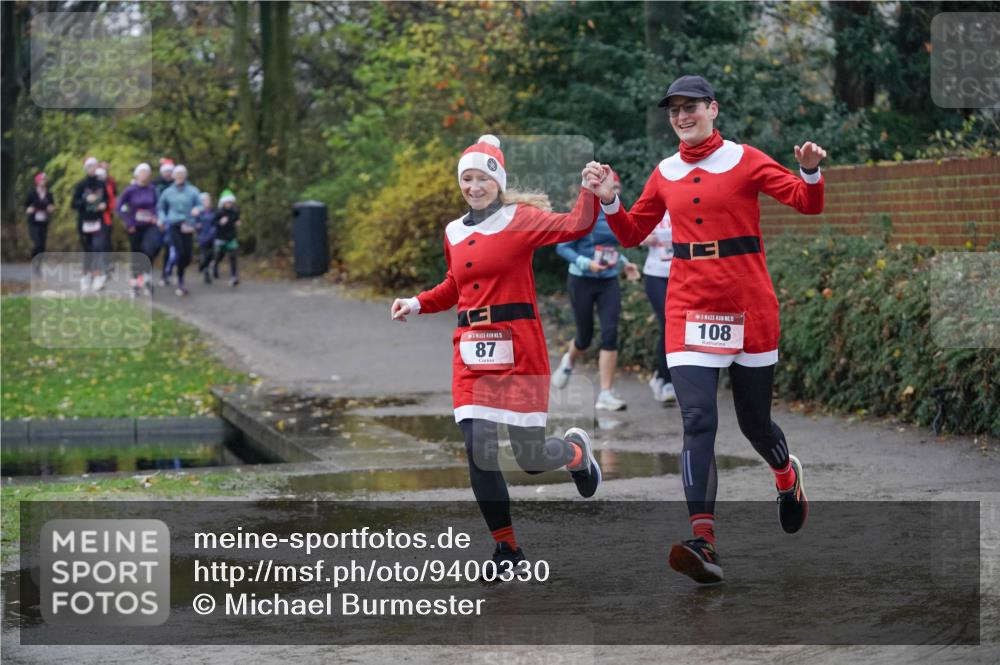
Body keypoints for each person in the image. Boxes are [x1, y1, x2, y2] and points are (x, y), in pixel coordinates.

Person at [584, 75, 826, 584]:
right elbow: (632, 233)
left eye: (690, 106)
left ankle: (786, 477)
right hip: (689, 308)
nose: (681, 115)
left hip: (749, 306)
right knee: (697, 422)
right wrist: (609, 199)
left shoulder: (745, 159)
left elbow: (808, 203)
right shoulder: (665, 171)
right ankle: (704, 540)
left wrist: (808, 171)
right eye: (674, 109)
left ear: (713, 109)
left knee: (754, 424)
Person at [390, 135, 604, 570]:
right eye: (466, 179)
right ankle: (507, 548)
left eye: (482, 178)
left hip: (519, 347)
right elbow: (455, 285)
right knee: (479, 449)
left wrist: (588, 190)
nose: (473, 186)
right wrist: (417, 302)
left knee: (529, 459)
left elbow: (575, 226)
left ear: (498, 181)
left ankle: (576, 454)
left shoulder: (519, 218)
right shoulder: (453, 231)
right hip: (470, 352)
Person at [551, 170, 640, 411]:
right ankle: (569, 361)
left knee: (610, 333)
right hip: (581, 280)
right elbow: (562, 248)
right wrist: (585, 263)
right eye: (611, 187)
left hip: (608, 280)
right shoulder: (582, 214)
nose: (615, 192)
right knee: (585, 337)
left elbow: (610, 248)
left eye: (617, 189)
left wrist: (624, 264)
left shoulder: (618, 215)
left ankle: (606, 393)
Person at [640, 210, 677, 403]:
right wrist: (645, 238)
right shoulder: (653, 208)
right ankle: (666, 379)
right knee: (667, 322)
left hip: (679, 274)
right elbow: (635, 233)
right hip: (655, 274)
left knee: (676, 325)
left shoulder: (682, 206)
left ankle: (661, 376)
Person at [156, 164, 201, 296]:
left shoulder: (193, 190)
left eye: (182, 174)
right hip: (174, 224)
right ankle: (180, 281)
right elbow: (160, 207)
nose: (180, 176)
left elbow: (200, 204)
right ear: (174, 176)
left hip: (188, 224)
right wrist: (163, 219)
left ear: (185, 176)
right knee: (179, 251)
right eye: (178, 174)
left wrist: (197, 209)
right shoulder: (168, 192)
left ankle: (179, 271)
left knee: (187, 255)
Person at [117, 163, 160, 296]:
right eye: (142, 172)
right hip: (134, 227)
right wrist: (129, 222)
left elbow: (158, 205)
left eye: (147, 172)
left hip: (149, 225)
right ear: (137, 175)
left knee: (150, 249)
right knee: (137, 254)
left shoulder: (152, 189)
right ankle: (135, 282)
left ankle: (146, 277)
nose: (145, 175)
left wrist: (156, 217)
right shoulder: (130, 190)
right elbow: (119, 207)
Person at [71, 157, 110, 292]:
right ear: (86, 169)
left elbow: (107, 199)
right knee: (88, 250)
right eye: (90, 166)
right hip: (84, 222)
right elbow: (73, 204)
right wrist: (85, 200)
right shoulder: (81, 185)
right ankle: (85, 277)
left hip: (98, 221)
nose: (92, 169)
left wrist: (103, 205)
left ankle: (97, 277)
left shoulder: (101, 184)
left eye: (94, 166)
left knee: (98, 247)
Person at [25, 172, 56, 269]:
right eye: (42, 179)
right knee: (37, 243)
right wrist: (29, 209)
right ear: (37, 181)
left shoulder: (49, 194)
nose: (44, 182)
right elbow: (26, 206)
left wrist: (51, 208)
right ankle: (34, 261)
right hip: (33, 222)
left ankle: (38, 266)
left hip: (43, 222)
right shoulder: (32, 193)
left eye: (45, 180)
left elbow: (51, 206)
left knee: (42, 246)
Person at [212, 189, 241, 286]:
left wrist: (238, 223)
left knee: (233, 256)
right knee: (220, 255)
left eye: (230, 202)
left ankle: (234, 276)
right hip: (221, 238)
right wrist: (220, 222)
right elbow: (213, 223)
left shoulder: (235, 211)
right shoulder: (219, 212)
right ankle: (215, 266)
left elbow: (237, 219)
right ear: (223, 202)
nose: (228, 204)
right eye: (227, 202)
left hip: (231, 237)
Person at [155, 159, 176, 286]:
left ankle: (165, 274)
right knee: (154, 247)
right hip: (157, 219)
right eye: (166, 171)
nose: (168, 174)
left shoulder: (177, 185)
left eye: (170, 171)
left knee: (169, 247)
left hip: (172, 220)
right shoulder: (155, 184)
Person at [195, 192, 217, 284]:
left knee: (211, 255)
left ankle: (204, 265)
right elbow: (195, 224)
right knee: (204, 255)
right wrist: (197, 226)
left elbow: (216, 224)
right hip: (202, 238)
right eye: (203, 200)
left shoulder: (214, 211)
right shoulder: (198, 213)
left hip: (212, 237)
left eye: (207, 200)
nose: (206, 202)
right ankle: (206, 274)